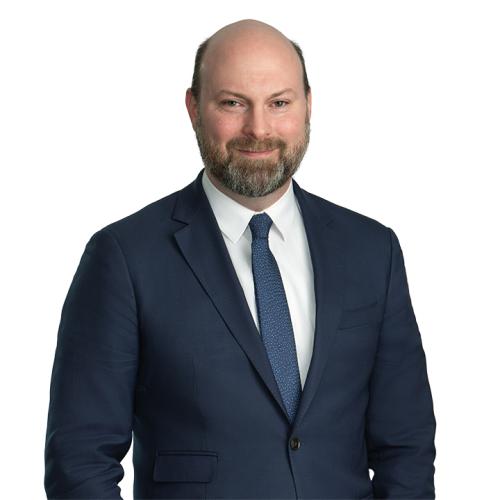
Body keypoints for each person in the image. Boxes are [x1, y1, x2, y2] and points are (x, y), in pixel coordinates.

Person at [44, 18, 436, 500]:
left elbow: (406, 448)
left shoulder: (372, 250)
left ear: (308, 105)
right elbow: (79, 463)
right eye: (233, 103)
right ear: (193, 107)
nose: (258, 129)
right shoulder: (124, 258)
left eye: (279, 103)